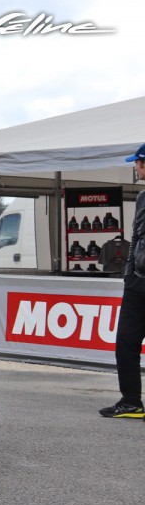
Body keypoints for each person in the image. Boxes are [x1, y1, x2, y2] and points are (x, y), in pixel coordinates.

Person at [101, 142, 145, 418]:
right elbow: (135, 240)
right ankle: (131, 402)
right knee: (125, 343)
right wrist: (129, 274)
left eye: (138, 162)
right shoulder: (142, 197)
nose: (135, 167)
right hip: (137, 284)